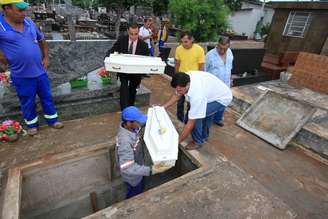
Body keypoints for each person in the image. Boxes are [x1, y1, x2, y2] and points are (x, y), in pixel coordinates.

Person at [0, 0, 63, 136]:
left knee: (47, 97)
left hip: (40, 72)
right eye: (20, 10)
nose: (24, 13)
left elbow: (42, 40)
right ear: (7, 9)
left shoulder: (29, 22)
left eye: (24, 10)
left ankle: (53, 120)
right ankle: (32, 125)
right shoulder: (0, 26)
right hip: (21, 74)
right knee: (27, 101)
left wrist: (46, 57)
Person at [163, 71, 232, 150]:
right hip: (211, 93)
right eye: (176, 88)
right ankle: (204, 136)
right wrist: (162, 107)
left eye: (180, 89)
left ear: (188, 84)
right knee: (204, 113)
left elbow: (191, 123)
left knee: (196, 118)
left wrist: (176, 142)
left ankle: (198, 142)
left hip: (221, 98)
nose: (178, 91)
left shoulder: (197, 95)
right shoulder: (183, 79)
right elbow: (176, 95)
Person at [116, 106, 171, 199]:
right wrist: (151, 170)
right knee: (135, 192)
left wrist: (158, 128)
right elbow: (127, 167)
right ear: (129, 123)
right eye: (138, 121)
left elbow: (145, 122)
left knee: (139, 186)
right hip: (133, 176)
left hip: (138, 164)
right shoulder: (125, 141)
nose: (140, 123)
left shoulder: (129, 126)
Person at [105, 23, 149, 110]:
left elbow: (146, 60)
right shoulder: (122, 40)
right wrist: (107, 58)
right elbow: (112, 50)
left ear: (138, 32)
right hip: (123, 71)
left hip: (136, 73)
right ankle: (124, 109)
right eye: (131, 34)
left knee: (132, 90)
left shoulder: (144, 45)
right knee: (124, 88)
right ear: (128, 32)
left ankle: (130, 108)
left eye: (136, 34)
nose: (133, 36)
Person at [175, 31, 205, 123]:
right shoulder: (178, 49)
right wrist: (176, 78)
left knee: (190, 103)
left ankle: (187, 120)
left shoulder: (199, 50)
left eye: (186, 42)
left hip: (193, 81)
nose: (184, 44)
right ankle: (180, 118)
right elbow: (177, 64)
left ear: (192, 40)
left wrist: (199, 81)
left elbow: (201, 67)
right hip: (181, 80)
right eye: (182, 42)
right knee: (179, 101)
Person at [205, 36, 234, 127]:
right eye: (220, 48)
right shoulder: (210, 55)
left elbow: (229, 67)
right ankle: (207, 121)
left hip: (226, 84)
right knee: (211, 103)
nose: (222, 51)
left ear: (228, 46)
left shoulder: (229, 53)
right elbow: (204, 71)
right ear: (217, 45)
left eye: (225, 49)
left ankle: (218, 119)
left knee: (223, 102)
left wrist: (230, 78)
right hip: (213, 86)